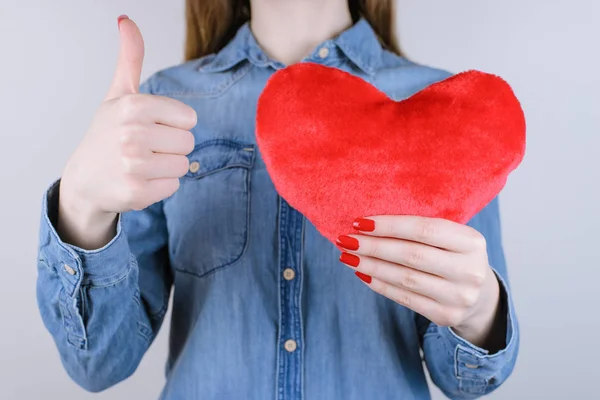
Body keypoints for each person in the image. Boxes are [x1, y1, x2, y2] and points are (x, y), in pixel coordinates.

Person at [36, 0, 519, 399]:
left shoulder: (448, 112)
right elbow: (98, 363)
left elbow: (468, 381)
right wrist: (80, 207)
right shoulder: (165, 104)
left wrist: (479, 315)